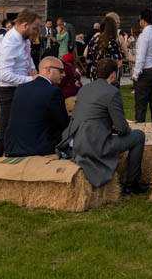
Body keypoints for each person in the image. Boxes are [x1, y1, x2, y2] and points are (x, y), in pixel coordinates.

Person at [57, 57, 147, 195]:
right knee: (138, 136)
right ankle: (132, 184)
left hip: (75, 141)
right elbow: (122, 128)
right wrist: (126, 129)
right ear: (113, 74)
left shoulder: (84, 89)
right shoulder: (112, 92)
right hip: (95, 144)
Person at [0, 8, 41, 158]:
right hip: (8, 91)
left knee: (21, 129)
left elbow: (27, 60)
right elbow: (5, 75)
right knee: (5, 132)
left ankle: (14, 158)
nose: (35, 32)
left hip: (21, 88)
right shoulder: (9, 43)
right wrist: (31, 79)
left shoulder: (23, 41)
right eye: (34, 29)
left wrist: (34, 71)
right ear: (25, 25)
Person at [4, 56, 68, 157]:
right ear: (48, 70)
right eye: (61, 71)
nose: (64, 74)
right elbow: (63, 123)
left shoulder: (21, 88)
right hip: (38, 148)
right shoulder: (53, 92)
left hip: (14, 147)